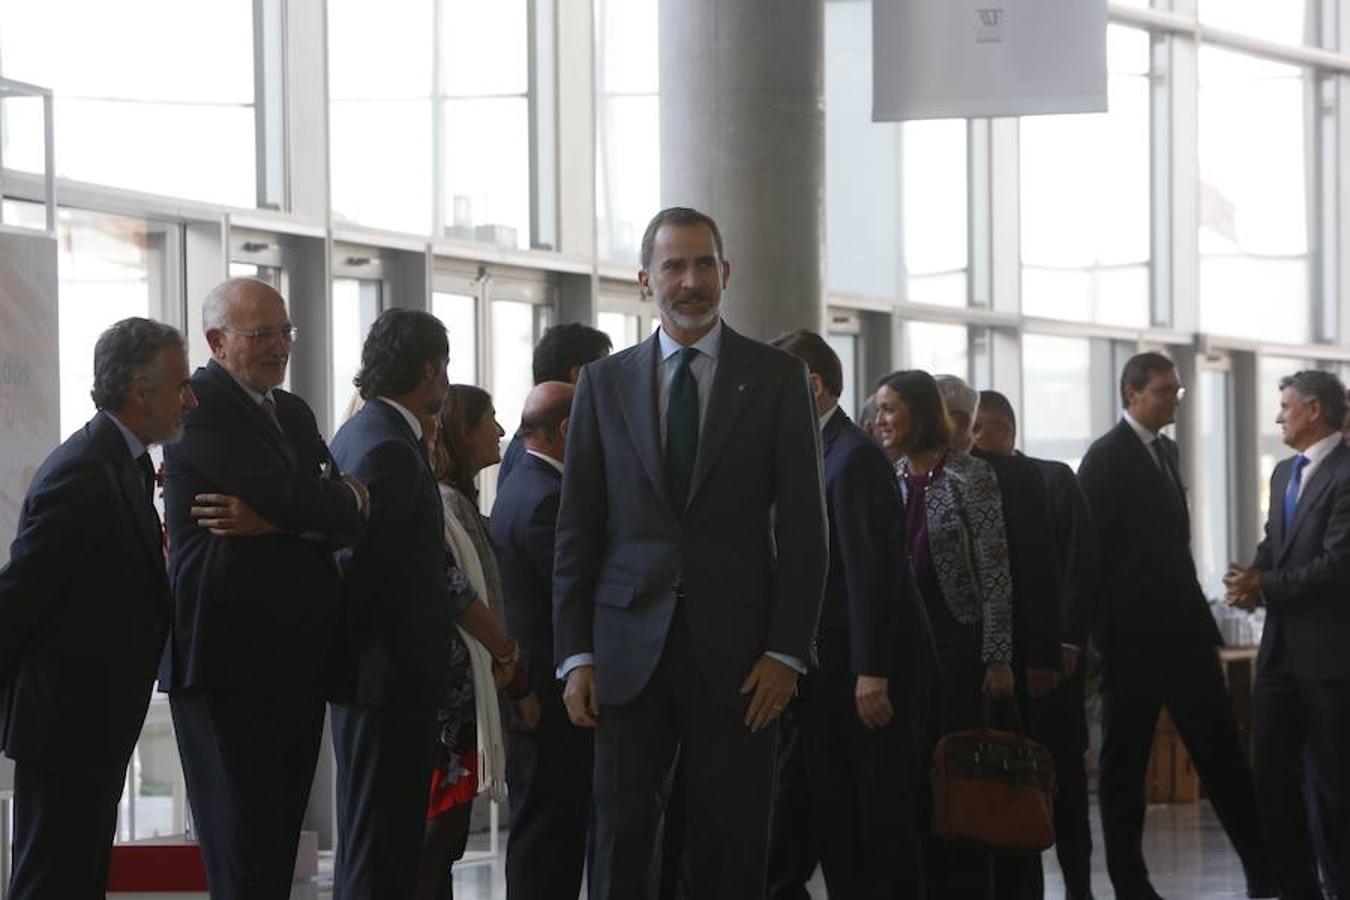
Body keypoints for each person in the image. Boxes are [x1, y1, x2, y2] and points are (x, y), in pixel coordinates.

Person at [553, 206, 828, 899]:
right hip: (623, 652)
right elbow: (577, 530)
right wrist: (576, 653)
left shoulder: (775, 380)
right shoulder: (603, 384)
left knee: (731, 847)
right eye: (673, 265)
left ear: (726, 273)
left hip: (742, 659)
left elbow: (805, 530)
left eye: (704, 263)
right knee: (620, 842)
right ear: (646, 280)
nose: (691, 279)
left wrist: (786, 652)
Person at [160, 278, 367, 899]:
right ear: (217, 341)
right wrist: (312, 508)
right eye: (262, 335)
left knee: (278, 844)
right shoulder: (200, 408)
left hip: (296, 662)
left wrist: (276, 519)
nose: (280, 346)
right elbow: (311, 499)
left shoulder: (294, 411)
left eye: (286, 332)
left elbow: (345, 505)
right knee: (243, 847)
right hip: (225, 660)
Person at [329, 309, 521, 900]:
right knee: (383, 851)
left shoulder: (367, 434)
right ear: (433, 371)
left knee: (385, 845)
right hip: (387, 683)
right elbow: (369, 572)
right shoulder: (387, 445)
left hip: (381, 679)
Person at [0, 318, 196, 899]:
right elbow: (20, 596)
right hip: (63, 726)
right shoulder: (84, 471)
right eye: (180, 385)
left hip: (91, 723)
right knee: (51, 879)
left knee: (78, 876)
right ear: (141, 393)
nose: (190, 398)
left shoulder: (122, 461)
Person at [1078, 352, 1273, 900]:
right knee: (1124, 767)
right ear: (1130, 395)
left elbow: (1173, 549)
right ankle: (1130, 882)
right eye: (1164, 391)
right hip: (1132, 643)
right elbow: (1090, 556)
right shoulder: (1105, 459)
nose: (1174, 400)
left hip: (1184, 635)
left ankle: (1263, 869)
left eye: (1178, 391)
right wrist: (1102, 637)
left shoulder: (1166, 451)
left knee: (1222, 753)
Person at [767, 331, 935, 899]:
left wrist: (872, 671)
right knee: (837, 817)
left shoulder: (854, 458)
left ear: (812, 386)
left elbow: (873, 575)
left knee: (878, 824)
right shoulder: (816, 450)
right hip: (827, 672)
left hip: (864, 673)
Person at [873, 369, 1014, 900]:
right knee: (905, 778)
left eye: (890, 409)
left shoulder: (970, 477)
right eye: (878, 410)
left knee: (954, 776)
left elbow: (996, 574)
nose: (880, 421)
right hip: (898, 647)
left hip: (955, 643)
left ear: (922, 414)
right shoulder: (884, 476)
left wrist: (997, 658)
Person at [1227, 370, 1350, 900]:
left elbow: (1337, 567)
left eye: (1285, 406)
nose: (1278, 416)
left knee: (1334, 788)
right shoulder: (1283, 474)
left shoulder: (1346, 475)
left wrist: (1266, 585)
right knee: (1271, 778)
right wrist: (1248, 578)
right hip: (1277, 655)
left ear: (1315, 410)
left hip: (1329, 658)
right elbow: (1274, 542)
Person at [975, 389, 1100, 900]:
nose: (973, 438)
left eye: (982, 427)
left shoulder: (1049, 478)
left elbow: (1078, 564)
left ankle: (1079, 887)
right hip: (996, 669)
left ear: (1007, 429)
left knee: (1064, 782)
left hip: (1050, 662)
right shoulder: (963, 481)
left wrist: (1065, 643)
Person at [415, 385, 535, 900]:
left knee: (444, 846)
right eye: (491, 419)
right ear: (464, 430)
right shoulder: (446, 506)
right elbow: (458, 594)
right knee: (434, 847)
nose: (502, 431)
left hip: (466, 701)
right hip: (451, 707)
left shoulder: (461, 502)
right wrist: (508, 657)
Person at [489, 381, 596, 900]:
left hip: (536, 685)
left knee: (541, 829)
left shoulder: (518, 483)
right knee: (550, 835)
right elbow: (573, 593)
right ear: (570, 431)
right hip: (550, 694)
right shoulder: (547, 499)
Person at [497, 323, 611, 488]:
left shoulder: (529, 439)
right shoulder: (541, 451)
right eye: (605, 371)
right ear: (577, 375)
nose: (610, 382)